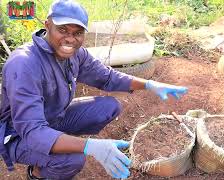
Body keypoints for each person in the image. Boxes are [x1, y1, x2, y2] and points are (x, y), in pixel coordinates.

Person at [0, 0, 188, 179]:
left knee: (108, 107)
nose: (70, 39)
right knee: (72, 160)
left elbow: (108, 77)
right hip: (18, 134)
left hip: (52, 118)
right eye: (62, 30)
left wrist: (149, 84)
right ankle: (38, 173)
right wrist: (90, 146)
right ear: (48, 25)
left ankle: (59, 142)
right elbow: (32, 131)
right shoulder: (24, 64)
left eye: (78, 33)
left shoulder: (76, 54)